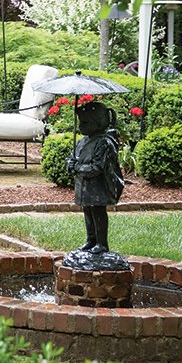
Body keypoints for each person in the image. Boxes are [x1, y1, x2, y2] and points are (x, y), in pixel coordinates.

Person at [67, 101, 126, 253]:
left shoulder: (104, 143)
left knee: (98, 212)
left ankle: (102, 243)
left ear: (97, 123)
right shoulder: (82, 141)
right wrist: (70, 163)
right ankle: (91, 239)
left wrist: (78, 167)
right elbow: (72, 157)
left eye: (85, 122)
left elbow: (97, 167)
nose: (80, 126)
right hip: (85, 187)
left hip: (98, 186)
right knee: (87, 211)